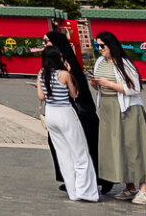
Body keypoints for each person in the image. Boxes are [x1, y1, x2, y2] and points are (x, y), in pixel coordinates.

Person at [91, 31, 146, 205]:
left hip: (127, 110)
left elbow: (135, 88)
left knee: (135, 147)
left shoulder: (125, 63)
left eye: (102, 46)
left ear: (111, 45)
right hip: (108, 109)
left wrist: (109, 84)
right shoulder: (99, 62)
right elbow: (100, 86)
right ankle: (130, 186)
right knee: (118, 147)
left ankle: (144, 190)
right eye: (97, 46)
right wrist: (96, 84)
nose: (100, 49)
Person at [49, 26, 110, 196]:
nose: (44, 45)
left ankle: (102, 179)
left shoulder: (70, 64)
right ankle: (71, 178)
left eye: (47, 41)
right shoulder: (55, 64)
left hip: (80, 115)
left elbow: (77, 92)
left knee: (85, 148)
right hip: (63, 111)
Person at [39, 47, 100, 202]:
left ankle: (72, 191)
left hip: (51, 113)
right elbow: (74, 95)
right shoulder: (64, 74)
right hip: (64, 112)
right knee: (80, 153)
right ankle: (85, 191)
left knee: (63, 154)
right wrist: (69, 72)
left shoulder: (41, 74)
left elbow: (41, 96)